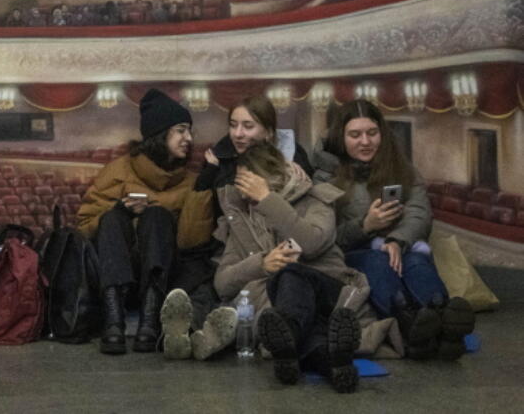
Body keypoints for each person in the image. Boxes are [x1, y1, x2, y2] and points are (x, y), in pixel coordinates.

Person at [214, 140, 399, 394]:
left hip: (328, 292)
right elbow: (222, 282)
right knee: (306, 331)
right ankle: (331, 366)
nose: (245, 193)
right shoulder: (242, 220)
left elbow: (311, 242)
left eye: (249, 183)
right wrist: (261, 264)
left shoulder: (316, 198)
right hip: (287, 306)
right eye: (240, 184)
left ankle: (288, 335)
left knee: (291, 274)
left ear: (269, 176)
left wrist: (268, 199)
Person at [323, 99, 474, 360]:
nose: (365, 142)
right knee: (378, 262)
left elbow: (419, 212)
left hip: (402, 247)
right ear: (341, 137)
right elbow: (325, 234)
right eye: (355, 135)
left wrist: (396, 239)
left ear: (382, 133)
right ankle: (410, 325)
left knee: (416, 261)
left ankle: (443, 318)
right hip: (353, 255)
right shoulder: (326, 176)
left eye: (372, 133)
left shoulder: (403, 169)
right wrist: (365, 226)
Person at [77, 89, 216, 355]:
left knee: (157, 216)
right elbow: (85, 226)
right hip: (116, 272)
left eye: (189, 131)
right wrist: (122, 210)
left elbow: (191, 240)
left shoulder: (190, 180)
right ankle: (113, 322)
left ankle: (149, 323)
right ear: (159, 133)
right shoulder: (117, 172)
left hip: (165, 277)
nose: (189, 138)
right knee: (113, 217)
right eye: (181, 130)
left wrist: (204, 185)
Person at [196, 96, 313, 210]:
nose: (238, 134)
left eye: (248, 126)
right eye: (233, 125)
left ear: (268, 132)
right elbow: (202, 202)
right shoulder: (218, 157)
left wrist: (284, 167)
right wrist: (210, 170)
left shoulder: (292, 154)